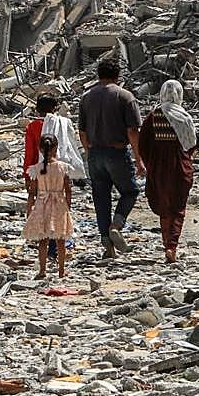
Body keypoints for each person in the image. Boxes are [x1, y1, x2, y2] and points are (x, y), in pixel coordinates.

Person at [79, 58, 145, 258]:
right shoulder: (125, 96)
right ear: (118, 76)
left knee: (101, 199)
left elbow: (81, 131)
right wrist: (139, 158)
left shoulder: (86, 98)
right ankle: (116, 225)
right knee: (130, 191)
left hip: (95, 153)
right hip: (116, 152)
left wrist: (89, 152)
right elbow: (133, 130)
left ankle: (108, 247)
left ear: (98, 75)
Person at [139, 80, 198, 264]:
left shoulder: (153, 116)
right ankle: (172, 246)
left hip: (158, 169)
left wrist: (150, 164)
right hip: (180, 168)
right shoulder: (184, 117)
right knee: (178, 208)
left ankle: (167, 244)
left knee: (164, 208)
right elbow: (191, 144)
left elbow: (143, 145)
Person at [23, 135, 73, 279]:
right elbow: (68, 190)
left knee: (43, 240)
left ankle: (42, 270)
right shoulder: (63, 168)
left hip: (42, 205)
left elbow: (32, 193)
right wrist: (67, 207)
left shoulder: (36, 169)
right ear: (56, 148)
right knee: (61, 239)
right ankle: (61, 271)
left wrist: (29, 210)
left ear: (39, 149)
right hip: (59, 204)